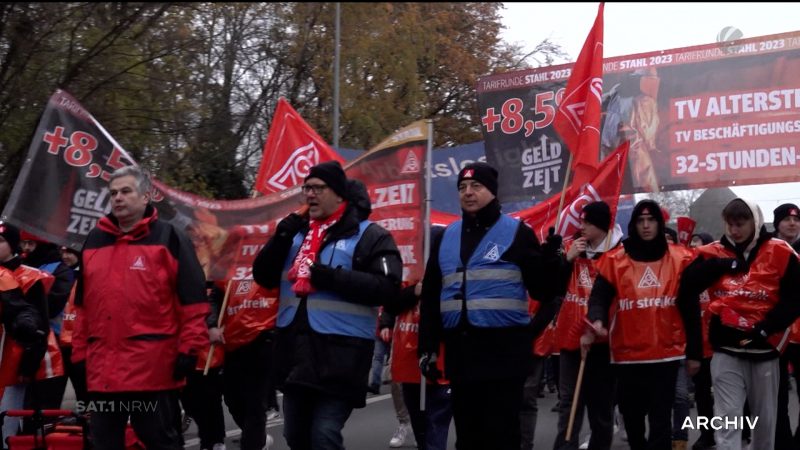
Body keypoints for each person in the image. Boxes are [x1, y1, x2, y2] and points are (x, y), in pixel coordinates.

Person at [252, 162, 403, 450]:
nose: (310, 195)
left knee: (324, 434)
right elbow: (263, 276)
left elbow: (388, 288)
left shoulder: (369, 235)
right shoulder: (295, 233)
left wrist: (329, 277)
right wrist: (281, 236)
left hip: (343, 356)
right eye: (307, 188)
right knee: (295, 436)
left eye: (318, 188)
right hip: (296, 354)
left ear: (339, 194)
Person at [418, 162, 562, 450]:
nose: (468, 192)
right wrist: (428, 348)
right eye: (462, 187)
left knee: (501, 434)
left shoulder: (517, 232)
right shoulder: (445, 236)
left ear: (492, 192)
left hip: (504, 354)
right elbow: (432, 296)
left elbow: (545, 291)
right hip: (461, 353)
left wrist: (552, 262)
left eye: (476, 186)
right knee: (468, 436)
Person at [72, 165, 210, 449]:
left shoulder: (169, 238)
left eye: (125, 191)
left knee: (160, 440)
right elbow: (83, 307)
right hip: (104, 373)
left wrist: (189, 349)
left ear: (146, 196)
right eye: (113, 193)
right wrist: (79, 354)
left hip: (152, 371)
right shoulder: (94, 241)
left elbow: (193, 304)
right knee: (103, 442)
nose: (118, 198)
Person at [582, 199, 702, 450]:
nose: (646, 226)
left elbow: (691, 309)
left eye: (651, 220)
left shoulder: (681, 259)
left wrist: (694, 354)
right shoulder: (615, 260)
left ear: (660, 223)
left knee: (660, 420)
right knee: (633, 418)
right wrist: (597, 320)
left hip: (666, 355)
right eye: (640, 221)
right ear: (634, 224)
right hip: (628, 357)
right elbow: (599, 297)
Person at [681, 198, 800, 450]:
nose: (735, 230)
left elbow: (795, 298)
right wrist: (721, 265)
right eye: (730, 224)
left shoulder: (780, 251)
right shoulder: (713, 252)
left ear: (754, 221)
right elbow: (687, 286)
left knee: (764, 426)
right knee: (727, 423)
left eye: (741, 223)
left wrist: (769, 325)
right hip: (726, 351)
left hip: (765, 350)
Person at [552, 201, 623, 450]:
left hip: (603, 340)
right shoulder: (572, 248)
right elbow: (554, 287)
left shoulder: (618, 253)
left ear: (601, 225)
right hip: (572, 335)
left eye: (587, 223)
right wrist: (566, 260)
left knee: (600, 405)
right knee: (568, 403)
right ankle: (564, 446)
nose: (580, 226)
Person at [0, 222, 50, 438]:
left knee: (7, 421)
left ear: (12, 244)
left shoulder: (30, 277)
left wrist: (27, 367)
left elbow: (40, 325)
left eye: (1, 240)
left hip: (14, 360)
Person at [771, 203, 800, 449]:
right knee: (777, 396)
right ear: (777, 223)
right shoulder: (766, 251)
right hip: (775, 333)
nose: (792, 223)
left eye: (796, 220)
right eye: (787, 219)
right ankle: (782, 441)